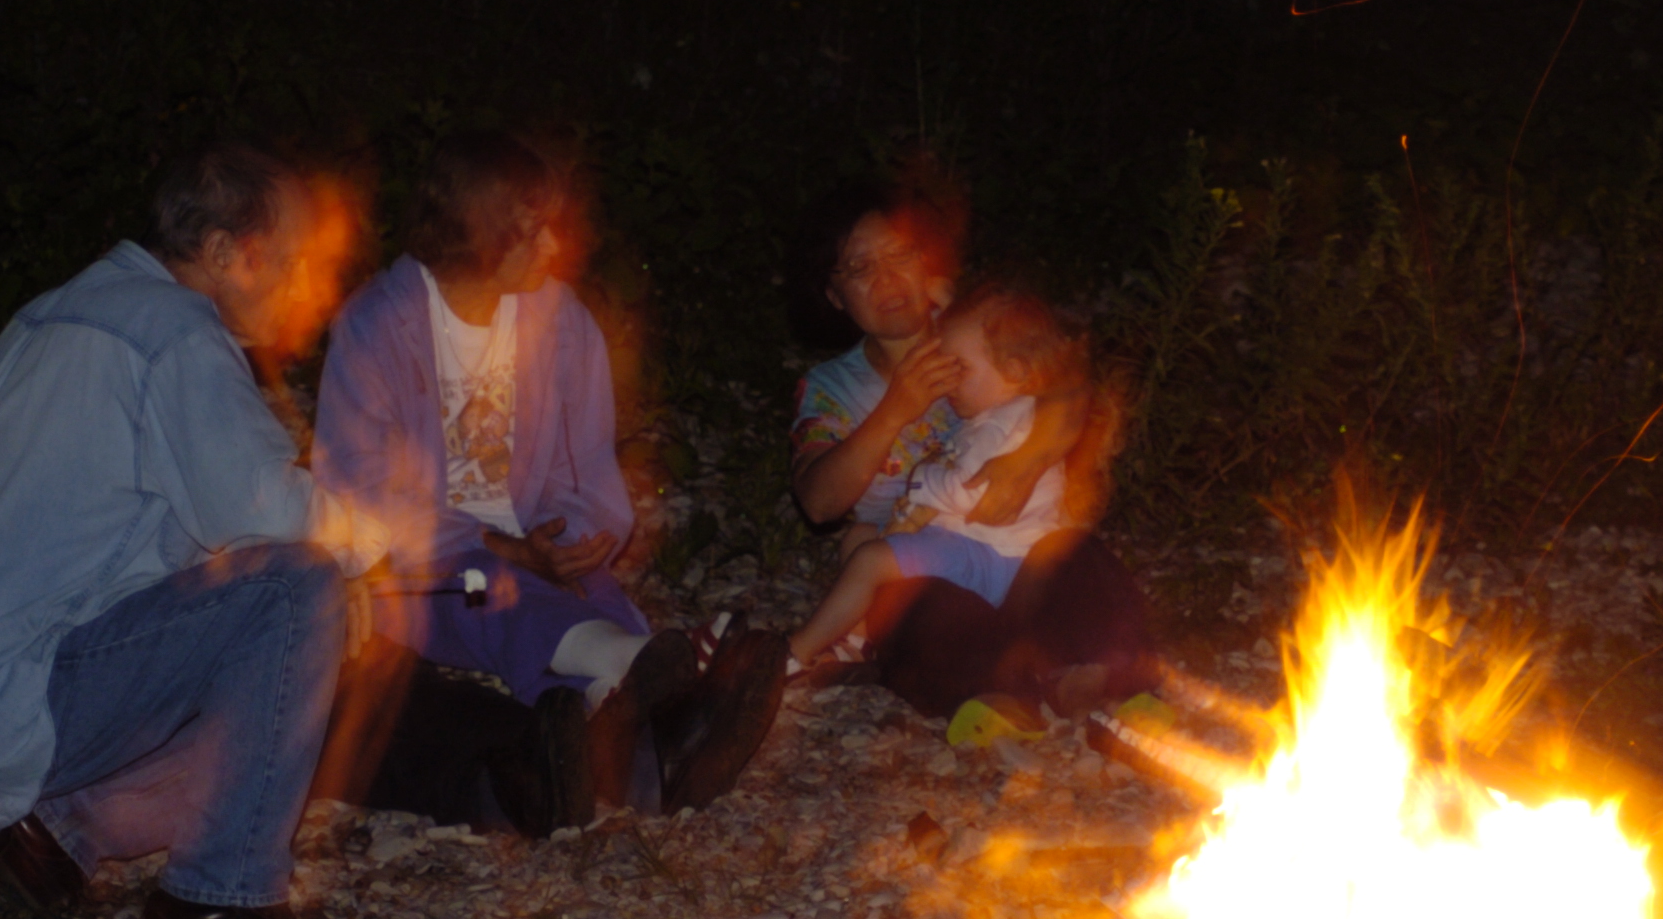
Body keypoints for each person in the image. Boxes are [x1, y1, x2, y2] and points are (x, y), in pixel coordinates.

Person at [0, 145, 378, 919]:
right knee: (295, 590)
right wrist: (378, 541)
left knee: (276, 672)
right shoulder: (174, 329)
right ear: (223, 252)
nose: (303, 282)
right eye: (291, 259)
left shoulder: (57, 310)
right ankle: (219, 896)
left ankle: (60, 833)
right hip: (25, 692)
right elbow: (267, 514)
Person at [313, 129, 785, 833]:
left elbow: (586, 465)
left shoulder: (560, 321)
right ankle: (660, 669)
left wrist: (570, 541)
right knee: (494, 592)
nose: (553, 246)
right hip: (429, 564)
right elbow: (361, 489)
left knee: (585, 594)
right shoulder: (377, 326)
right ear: (479, 233)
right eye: (532, 231)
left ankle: (652, 762)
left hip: (533, 548)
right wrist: (500, 548)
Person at [789, 186, 1157, 722]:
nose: (887, 279)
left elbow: (1070, 385)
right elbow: (819, 503)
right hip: (931, 567)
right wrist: (896, 409)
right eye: (860, 267)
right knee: (919, 608)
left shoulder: (975, 329)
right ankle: (997, 699)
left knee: (1080, 555)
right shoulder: (831, 389)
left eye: (899, 255)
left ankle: (1112, 683)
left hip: (1017, 557)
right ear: (834, 294)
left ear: (925, 261)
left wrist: (1024, 463)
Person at [789, 283, 1076, 665]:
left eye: (961, 368)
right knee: (858, 537)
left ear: (1014, 371)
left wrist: (922, 480)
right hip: (970, 539)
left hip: (996, 557)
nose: (950, 380)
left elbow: (969, 491)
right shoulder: (993, 412)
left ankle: (795, 652)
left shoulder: (1004, 423)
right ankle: (858, 644)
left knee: (870, 559)